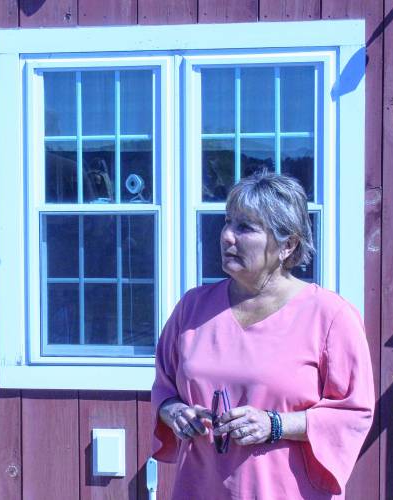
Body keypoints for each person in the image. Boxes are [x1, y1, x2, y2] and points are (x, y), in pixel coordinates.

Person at [151, 172, 374, 499]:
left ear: (288, 245)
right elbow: (164, 386)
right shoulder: (193, 308)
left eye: (246, 228)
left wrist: (276, 425)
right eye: (228, 222)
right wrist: (173, 412)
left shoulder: (329, 316)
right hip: (199, 488)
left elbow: (354, 412)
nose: (227, 236)